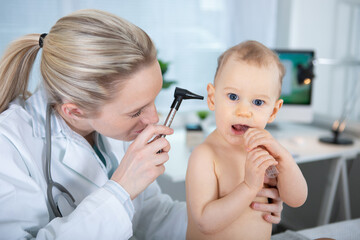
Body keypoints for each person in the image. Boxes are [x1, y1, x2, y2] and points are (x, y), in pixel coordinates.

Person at [0, 9, 284, 240]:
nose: (153, 119)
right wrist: (119, 189)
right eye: (136, 111)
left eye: (153, 100)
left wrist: (236, 209)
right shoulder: (9, 146)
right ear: (75, 111)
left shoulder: (112, 129)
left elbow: (149, 215)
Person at [186, 41, 308, 240]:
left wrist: (284, 157)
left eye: (258, 102)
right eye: (233, 96)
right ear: (212, 98)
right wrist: (249, 187)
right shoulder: (205, 155)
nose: (244, 111)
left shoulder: (267, 151)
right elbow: (204, 222)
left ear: (273, 111)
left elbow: (297, 199)